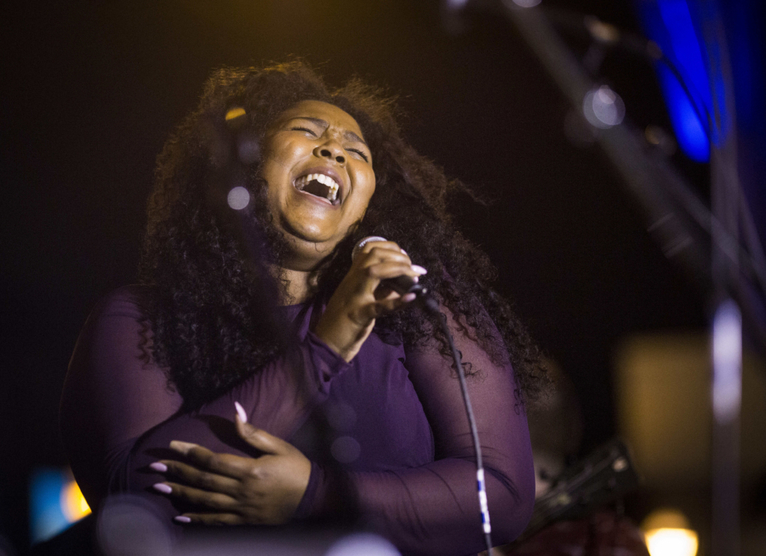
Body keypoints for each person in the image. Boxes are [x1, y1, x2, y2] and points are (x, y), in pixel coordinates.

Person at [60, 60, 549, 555]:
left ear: (366, 208)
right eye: (305, 131)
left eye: (357, 151)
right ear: (246, 165)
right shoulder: (141, 320)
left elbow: (504, 498)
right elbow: (139, 502)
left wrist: (317, 495)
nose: (334, 148)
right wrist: (328, 343)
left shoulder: (417, 303)